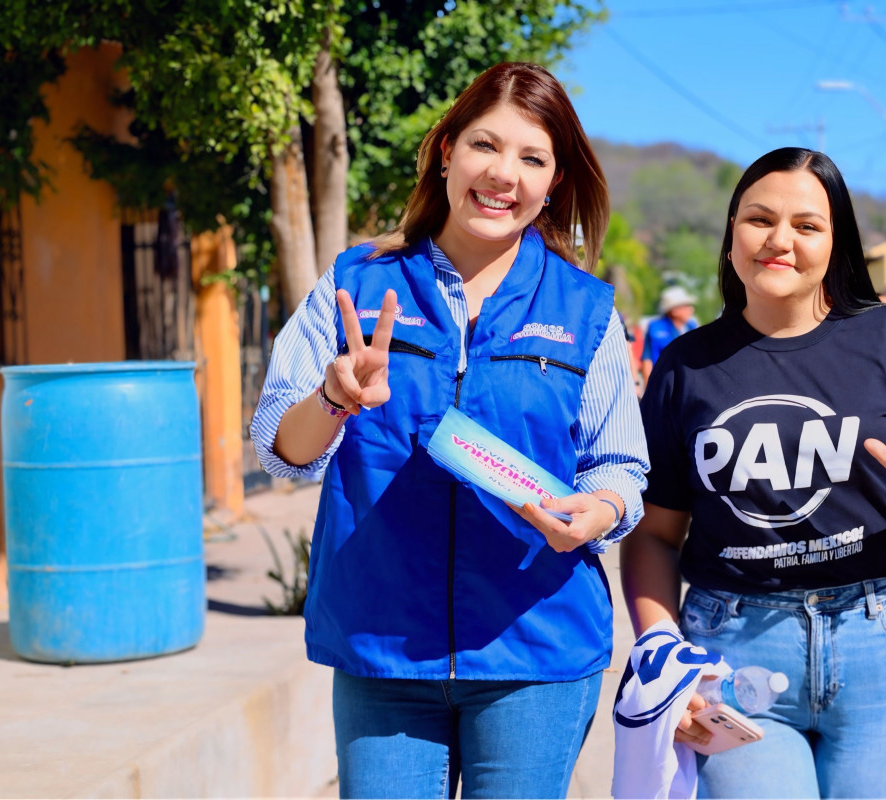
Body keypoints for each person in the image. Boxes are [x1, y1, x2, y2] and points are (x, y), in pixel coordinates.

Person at [250, 62, 648, 800]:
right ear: (446, 152)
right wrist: (333, 397)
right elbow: (282, 452)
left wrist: (600, 511)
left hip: (537, 651)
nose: (504, 174)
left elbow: (620, 466)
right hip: (382, 649)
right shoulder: (354, 284)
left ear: (555, 181)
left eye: (533, 158)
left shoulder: (585, 308)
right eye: (485, 146)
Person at [620, 147, 886, 799]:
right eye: (759, 219)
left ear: (836, 242)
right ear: (731, 232)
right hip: (734, 651)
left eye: (807, 225)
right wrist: (661, 651)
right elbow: (655, 535)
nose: (779, 241)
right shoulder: (685, 366)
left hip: (884, 646)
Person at [640, 285, 698, 386]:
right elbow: (647, 358)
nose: (691, 309)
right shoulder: (656, 327)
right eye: (686, 306)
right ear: (674, 310)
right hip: (663, 381)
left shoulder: (691, 326)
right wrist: (648, 386)